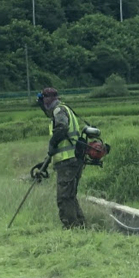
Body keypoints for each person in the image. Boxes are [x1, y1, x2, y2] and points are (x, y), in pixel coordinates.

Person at [37, 88, 85, 229]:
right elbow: (49, 114)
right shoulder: (63, 109)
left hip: (68, 160)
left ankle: (70, 227)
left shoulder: (59, 111)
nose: (43, 101)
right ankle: (80, 226)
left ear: (51, 98)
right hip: (73, 159)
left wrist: (52, 143)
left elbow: (61, 128)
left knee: (64, 197)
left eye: (44, 97)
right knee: (70, 196)